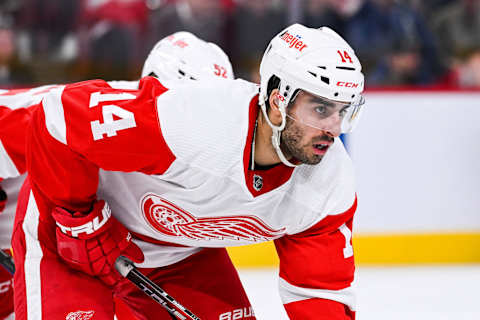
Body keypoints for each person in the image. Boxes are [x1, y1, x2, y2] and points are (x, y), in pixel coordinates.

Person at [14, 23, 364, 319]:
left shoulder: (330, 183)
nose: (334, 127)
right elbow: (57, 117)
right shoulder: (192, 120)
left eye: (343, 111)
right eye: (321, 108)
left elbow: (320, 291)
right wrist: (79, 217)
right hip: (68, 237)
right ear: (277, 98)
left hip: (181, 253)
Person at [0, 31, 233, 320]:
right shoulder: (87, 116)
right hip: (48, 240)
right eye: (191, 109)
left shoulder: (227, 148)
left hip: (136, 256)